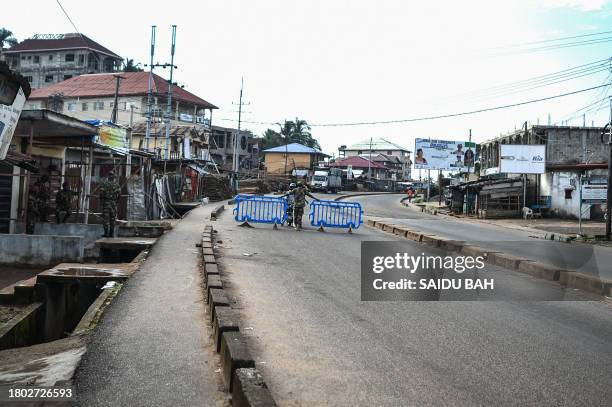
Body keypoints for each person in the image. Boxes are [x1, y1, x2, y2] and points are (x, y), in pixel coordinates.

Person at [99, 171, 121, 237]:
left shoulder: (104, 184)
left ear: (108, 177)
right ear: (113, 177)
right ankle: (111, 233)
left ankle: (106, 233)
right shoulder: (117, 185)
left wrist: (101, 202)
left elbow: (101, 194)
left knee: (106, 219)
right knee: (112, 219)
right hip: (113, 203)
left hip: (106, 203)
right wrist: (116, 202)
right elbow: (119, 194)